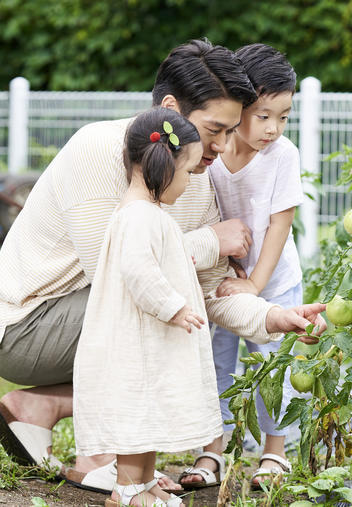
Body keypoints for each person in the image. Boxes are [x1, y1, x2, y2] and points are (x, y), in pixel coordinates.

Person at [0, 39, 327, 494]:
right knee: (158, 308)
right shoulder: (98, 149)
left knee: (179, 313)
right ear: (170, 108)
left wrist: (271, 318)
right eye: (213, 130)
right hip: (25, 328)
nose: (221, 146)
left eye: (230, 131)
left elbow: (210, 294)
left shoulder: (196, 180)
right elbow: (119, 273)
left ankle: (42, 409)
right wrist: (208, 241)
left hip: (84, 323)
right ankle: (104, 457)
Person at [73, 107, 218, 507]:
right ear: (163, 165)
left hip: (147, 340)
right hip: (136, 340)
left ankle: (145, 482)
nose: (189, 183)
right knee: (136, 419)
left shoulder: (148, 213)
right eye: (188, 171)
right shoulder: (139, 216)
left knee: (148, 416)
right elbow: (139, 272)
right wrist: (173, 307)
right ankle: (127, 491)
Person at [207, 43, 304, 489]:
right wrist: (231, 275)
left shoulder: (282, 156)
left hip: (275, 281)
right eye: (263, 115)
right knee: (215, 362)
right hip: (225, 282)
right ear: (238, 103)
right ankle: (214, 450)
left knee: (271, 364)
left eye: (284, 117)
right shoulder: (212, 154)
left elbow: (280, 223)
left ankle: (274, 451)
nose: (274, 128)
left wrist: (257, 284)